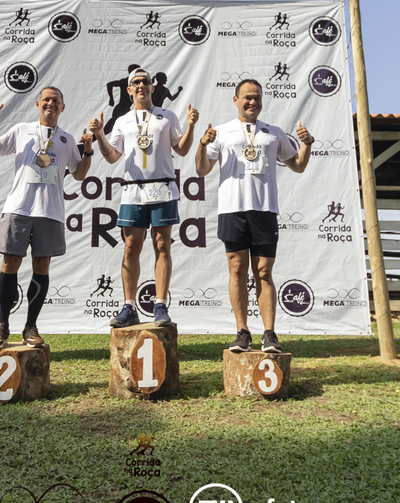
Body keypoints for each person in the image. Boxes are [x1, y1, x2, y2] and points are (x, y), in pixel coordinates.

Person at [195, 79, 311, 354]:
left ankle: (269, 334)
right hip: (232, 210)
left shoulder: (274, 133)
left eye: (256, 98)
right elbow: (201, 170)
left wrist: (306, 144)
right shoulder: (220, 132)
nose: (252, 102)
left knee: (263, 272)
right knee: (237, 270)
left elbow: (298, 166)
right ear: (235, 100)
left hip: (264, 211)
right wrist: (202, 143)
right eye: (247, 97)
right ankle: (242, 332)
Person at [0, 86, 93, 351]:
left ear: (63, 107)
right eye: (46, 100)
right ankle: (2, 326)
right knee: (10, 264)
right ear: (37, 104)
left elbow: (79, 174)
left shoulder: (66, 139)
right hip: (19, 208)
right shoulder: (21, 131)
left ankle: (30, 327)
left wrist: (88, 151)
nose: (50, 104)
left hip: (50, 212)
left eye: (56, 100)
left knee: (41, 267)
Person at [89, 69, 199, 328]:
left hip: (163, 188)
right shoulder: (122, 121)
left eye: (145, 82)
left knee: (162, 245)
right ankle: (129, 307)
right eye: (136, 83)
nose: (141, 86)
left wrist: (191, 126)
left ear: (152, 87)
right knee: (130, 247)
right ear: (129, 90)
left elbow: (181, 149)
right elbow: (112, 156)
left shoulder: (167, 116)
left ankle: (160, 304)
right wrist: (100, 136)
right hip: (133, 190)